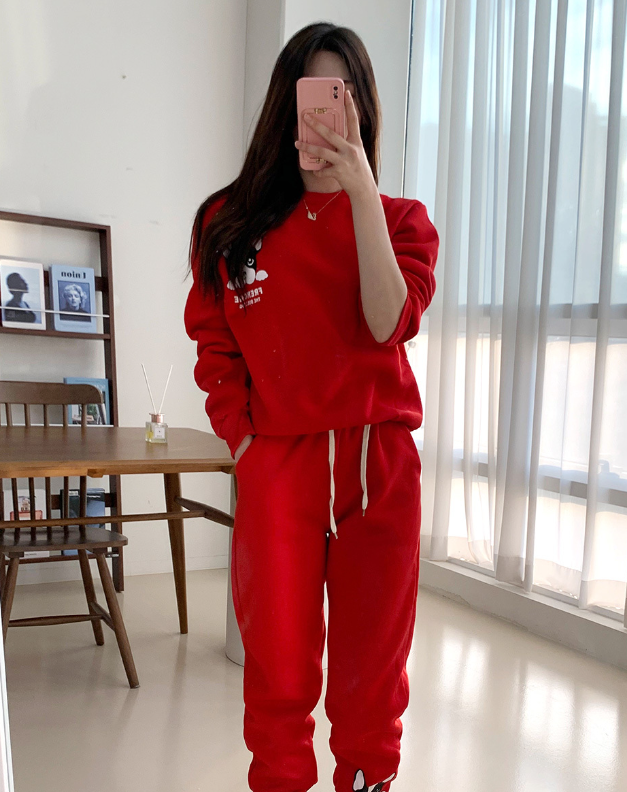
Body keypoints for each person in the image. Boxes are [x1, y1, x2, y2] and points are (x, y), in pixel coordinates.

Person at [184, 22, 438, 792]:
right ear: (285, 105)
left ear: (364, 110)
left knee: (372, 675)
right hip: (279, 467)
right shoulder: (229, 223)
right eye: (316, 95)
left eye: (344, 95)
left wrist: (360, 193)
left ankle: (367, 780)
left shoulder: (402, 221)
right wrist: (247, 446)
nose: (329, 114)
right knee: (279, 670)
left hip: (378, 469)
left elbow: (387, 322)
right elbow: (214, 348)